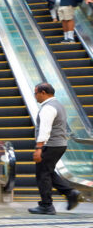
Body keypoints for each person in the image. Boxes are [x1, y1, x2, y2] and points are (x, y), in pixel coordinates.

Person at [29, 82, 81, 215]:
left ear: (43, 93)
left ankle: (47, 206)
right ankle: (70, 193)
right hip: (59, 144)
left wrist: (38, 148)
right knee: (48, 172)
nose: (35, 96)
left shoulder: (48, 108)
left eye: (36, 93)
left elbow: (45, 129)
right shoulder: (58, 105)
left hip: (50, 145)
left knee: (42, 175)